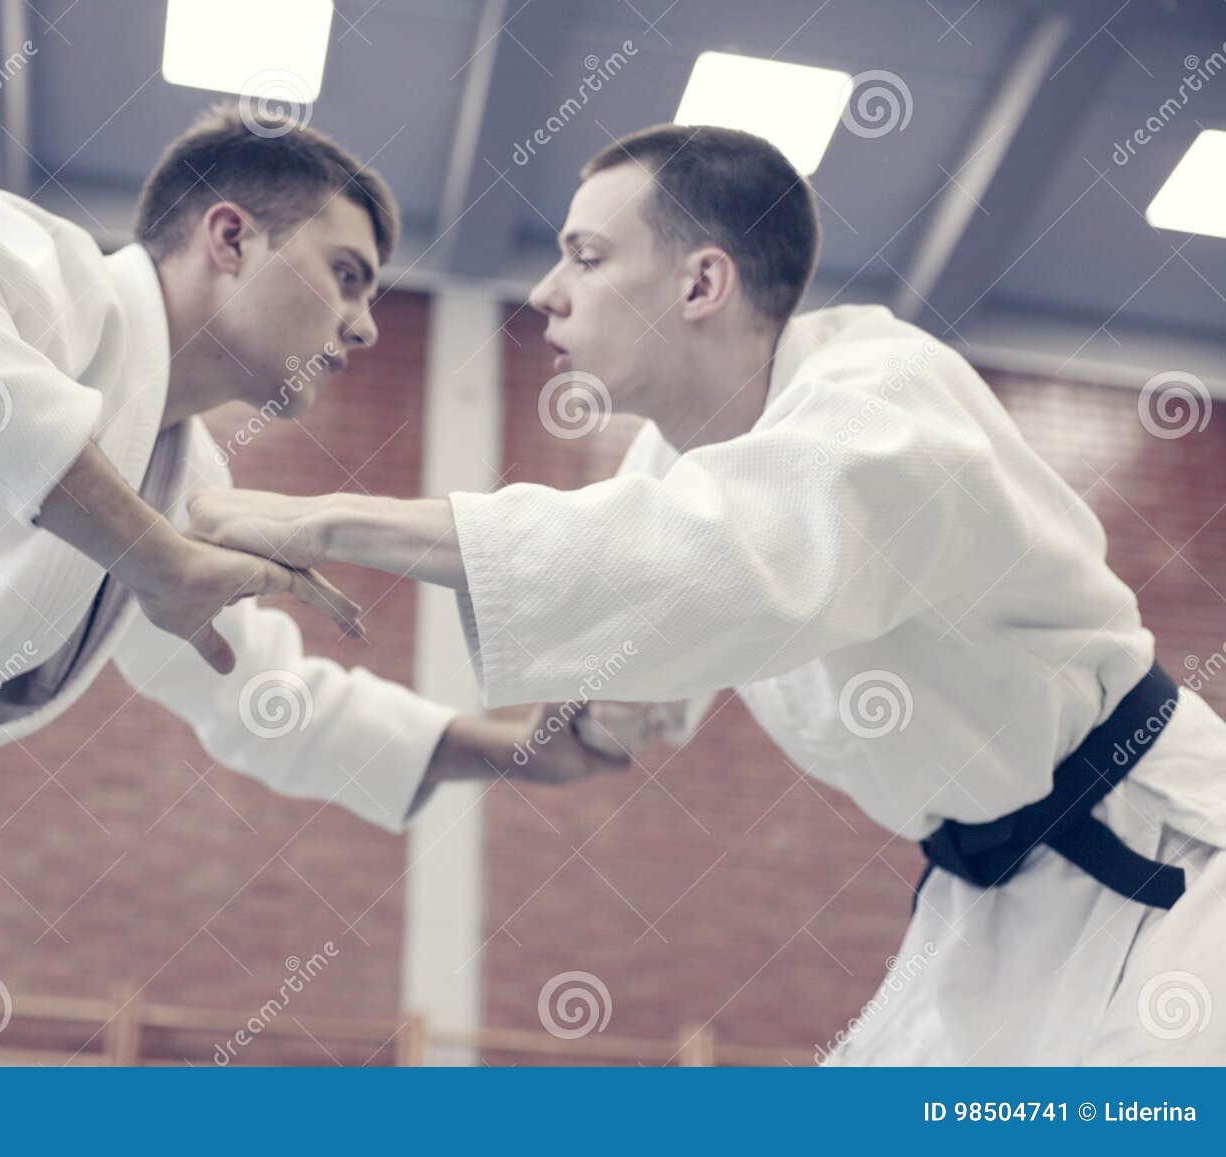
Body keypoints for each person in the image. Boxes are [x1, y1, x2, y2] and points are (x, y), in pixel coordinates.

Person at [187, 123, 1226, 1064]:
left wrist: (327, 518)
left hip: (1174, 858)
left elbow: (713, 557)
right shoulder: (668, 471)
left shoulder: (887, 398)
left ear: (700, 284)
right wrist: (576, 731)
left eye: (586, 257)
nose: (547, 290)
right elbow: (650, 634)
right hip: (993, 905)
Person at [0, 103, 619, 1066]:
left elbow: (267, 696)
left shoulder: (177, 485)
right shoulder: (53, 277)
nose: (362, 326)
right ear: (229, 236)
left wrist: (520, 749)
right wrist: (152, 554)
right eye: (346, 275)